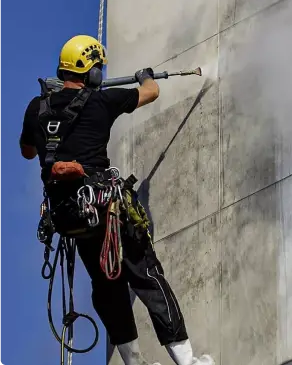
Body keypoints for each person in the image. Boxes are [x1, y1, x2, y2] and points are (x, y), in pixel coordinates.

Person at [19, 34, 215, 365]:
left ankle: (133, 362)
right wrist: (145, 75)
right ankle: (187, 360)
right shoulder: (101, 102)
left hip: (73, 218)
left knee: (108, 289)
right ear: (92, 72)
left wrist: (52, 124)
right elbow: (151, 92)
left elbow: (28, 152)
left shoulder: (36, 108)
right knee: (146, 276)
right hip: (105, 209)